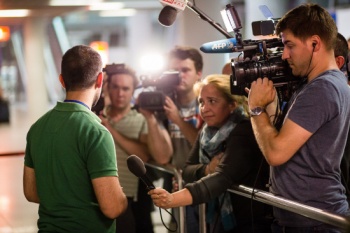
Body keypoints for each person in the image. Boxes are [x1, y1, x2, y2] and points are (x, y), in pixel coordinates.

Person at [247, 3, 350, 232]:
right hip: (308, 218)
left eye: (289, 45)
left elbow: (276, 153)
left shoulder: (322, 89)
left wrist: (255, 109)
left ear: (315, 43)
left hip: (315, 221)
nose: (284, 55)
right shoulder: (323, 84)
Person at [149, 74, 273, 233]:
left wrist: (173, 199)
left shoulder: (244, 129)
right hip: (218, 218)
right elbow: (187, 171)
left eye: (212, 101)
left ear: (232, 104)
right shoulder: (205, 132)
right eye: (201, 102)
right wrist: (207, 169)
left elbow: (222, 177)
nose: (204, 108)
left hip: (249, 221)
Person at [23, 45, 127, 232]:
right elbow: (112, 207)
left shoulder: (37, 128)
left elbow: (31, 192)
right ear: (100, 79)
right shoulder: (96, 132)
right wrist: (122, 199)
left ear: (62, 81)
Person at [99, 63, 172, 233]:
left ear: (133, 91)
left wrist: (111, 129)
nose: (120, 93)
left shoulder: (140, 118)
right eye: (115, 87)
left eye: (125, 88)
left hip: (130, 197)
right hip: (98, 192)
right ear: (107, 88)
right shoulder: (97, 114)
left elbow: (144, 155)